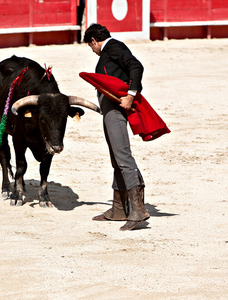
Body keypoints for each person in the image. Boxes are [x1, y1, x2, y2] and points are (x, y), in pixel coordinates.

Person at [83, 23, 150, 231]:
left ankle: (138, 211)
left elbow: (136, 66)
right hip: (110, 109)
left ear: (94, 40)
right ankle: (119, 209)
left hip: (115, 109)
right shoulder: (113, 50)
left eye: (90, 46)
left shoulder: (112, 47)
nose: (93, 51)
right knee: (116, 157)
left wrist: (131, 95)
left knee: (122, 156)